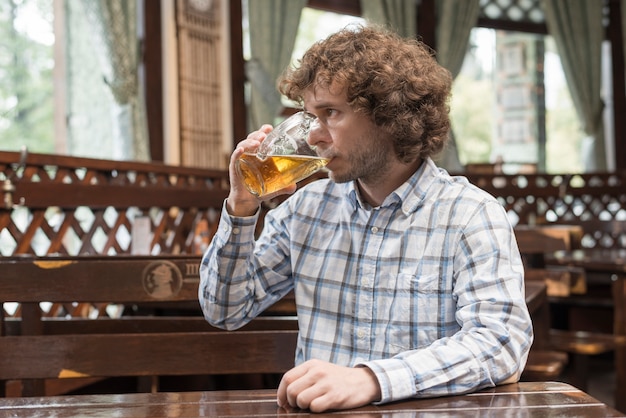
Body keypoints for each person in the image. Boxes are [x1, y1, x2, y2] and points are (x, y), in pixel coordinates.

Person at [199, 24, 533, 413]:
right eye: (309, 116)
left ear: (390, 115)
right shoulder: (305, 210)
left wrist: (371, 379)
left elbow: (501, 343)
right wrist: (241, 208)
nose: (313, 137)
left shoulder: (470, 215)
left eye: (330, 114)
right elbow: (225, 309)